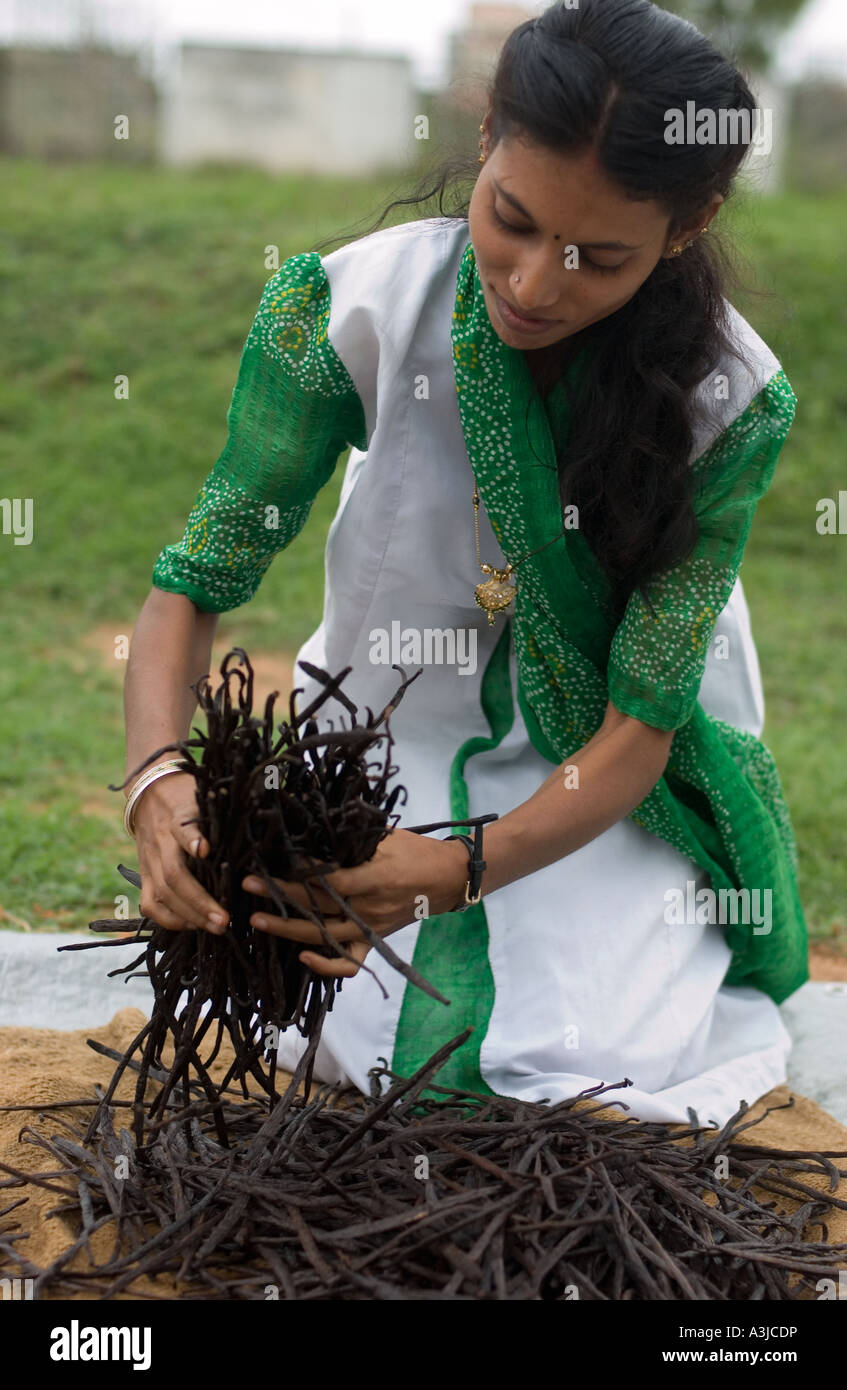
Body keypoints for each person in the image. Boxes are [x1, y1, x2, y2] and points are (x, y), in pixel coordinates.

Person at [123, 0, 807, 1124]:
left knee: (572, 1057)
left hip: (593, 784)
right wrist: (160, 784)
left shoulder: (728, 401)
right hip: (373, 753)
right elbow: (192, 584)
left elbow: (639, 726)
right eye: (513, 220)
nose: (536, 284)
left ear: (689, 226)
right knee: (328, 1011)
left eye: (597, 257)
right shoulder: (355, 311)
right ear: (484, 134)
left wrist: (457, 869)